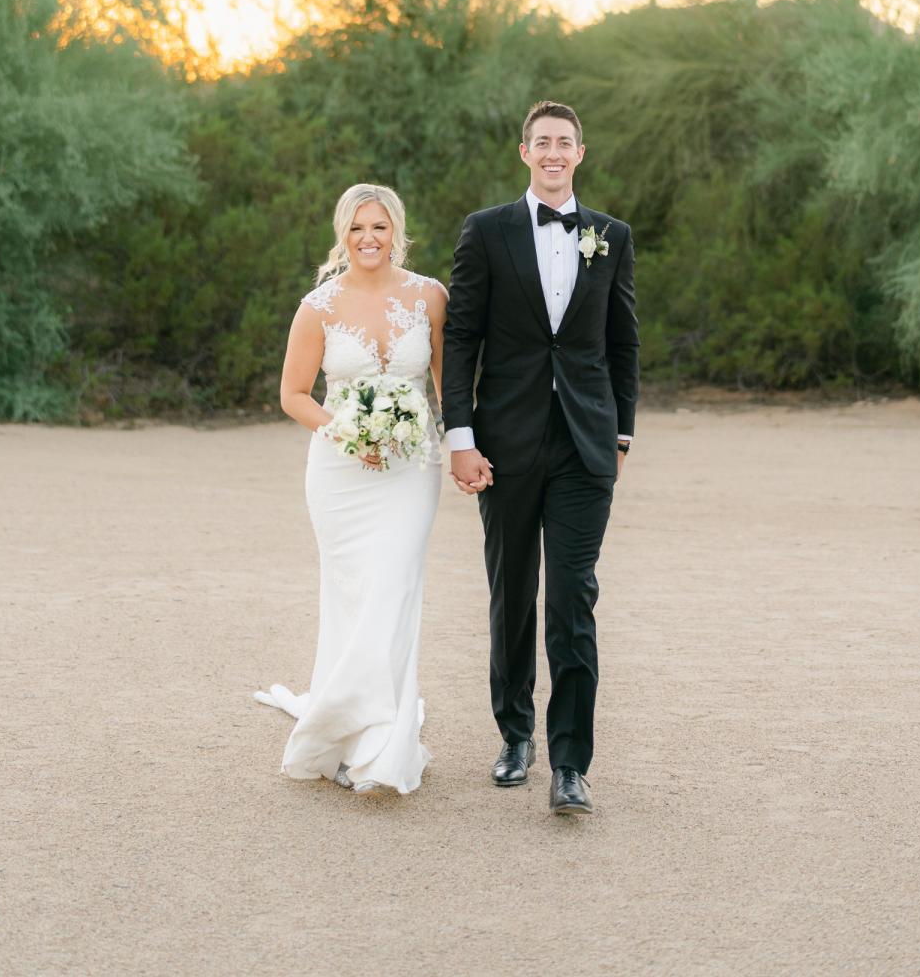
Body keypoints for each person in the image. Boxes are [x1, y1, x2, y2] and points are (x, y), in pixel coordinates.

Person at [442, 100, 639, 815]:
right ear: (523, 151)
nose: (554, 153)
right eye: (542, 142)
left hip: (586, 443)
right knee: (513, 591)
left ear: (580, 153)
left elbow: (622, 344)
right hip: (506, 441)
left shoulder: (611, 236)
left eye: (565, 143)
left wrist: (622, 434)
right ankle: (515, 734)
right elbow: (461, 338)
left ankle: (570, 763)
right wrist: (460, 438)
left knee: (573, 597)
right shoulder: (486, 231)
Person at [253, 184, 445, 795]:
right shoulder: (319, 306)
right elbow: (292, 395)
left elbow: (451, 388)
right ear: (344, 233)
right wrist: (348, 431)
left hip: (412, 470)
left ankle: (381, 737)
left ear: (398, 232)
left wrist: (467, 443)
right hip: (341, 473)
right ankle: (349, 731)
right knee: (354, 596)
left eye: (380, 228)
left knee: (395, 586)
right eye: (358, 227)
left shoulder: (429, 298)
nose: (369, 238)